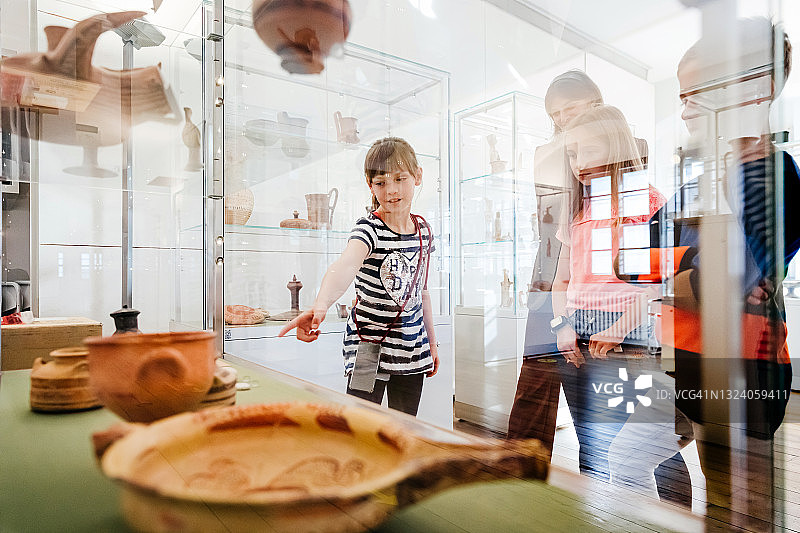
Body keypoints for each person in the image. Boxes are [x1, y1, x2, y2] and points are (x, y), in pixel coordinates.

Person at [609, 18, 798, 530]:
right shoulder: (701, 181)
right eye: (683, 93)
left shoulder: (772, 175)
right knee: (646, 467)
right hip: (686, 361)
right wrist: (688, 271)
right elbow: (629, 261)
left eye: (698, 92)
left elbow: (713, 285)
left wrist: (688, 274)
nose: (685, 107)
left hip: (742, 369)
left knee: (740, 508)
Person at [279, 137, 439, 416]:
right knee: (361, 423)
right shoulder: (369, 228)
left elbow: (421, 292)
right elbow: (346, 265)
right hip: (367, 348)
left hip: (411, 349)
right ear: (370, 185)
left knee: (404, 427)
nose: (391, 190)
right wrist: (321, 304)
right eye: (381, 183)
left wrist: (432, 344)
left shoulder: (424, 230)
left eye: (400, 179)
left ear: (417, 176)